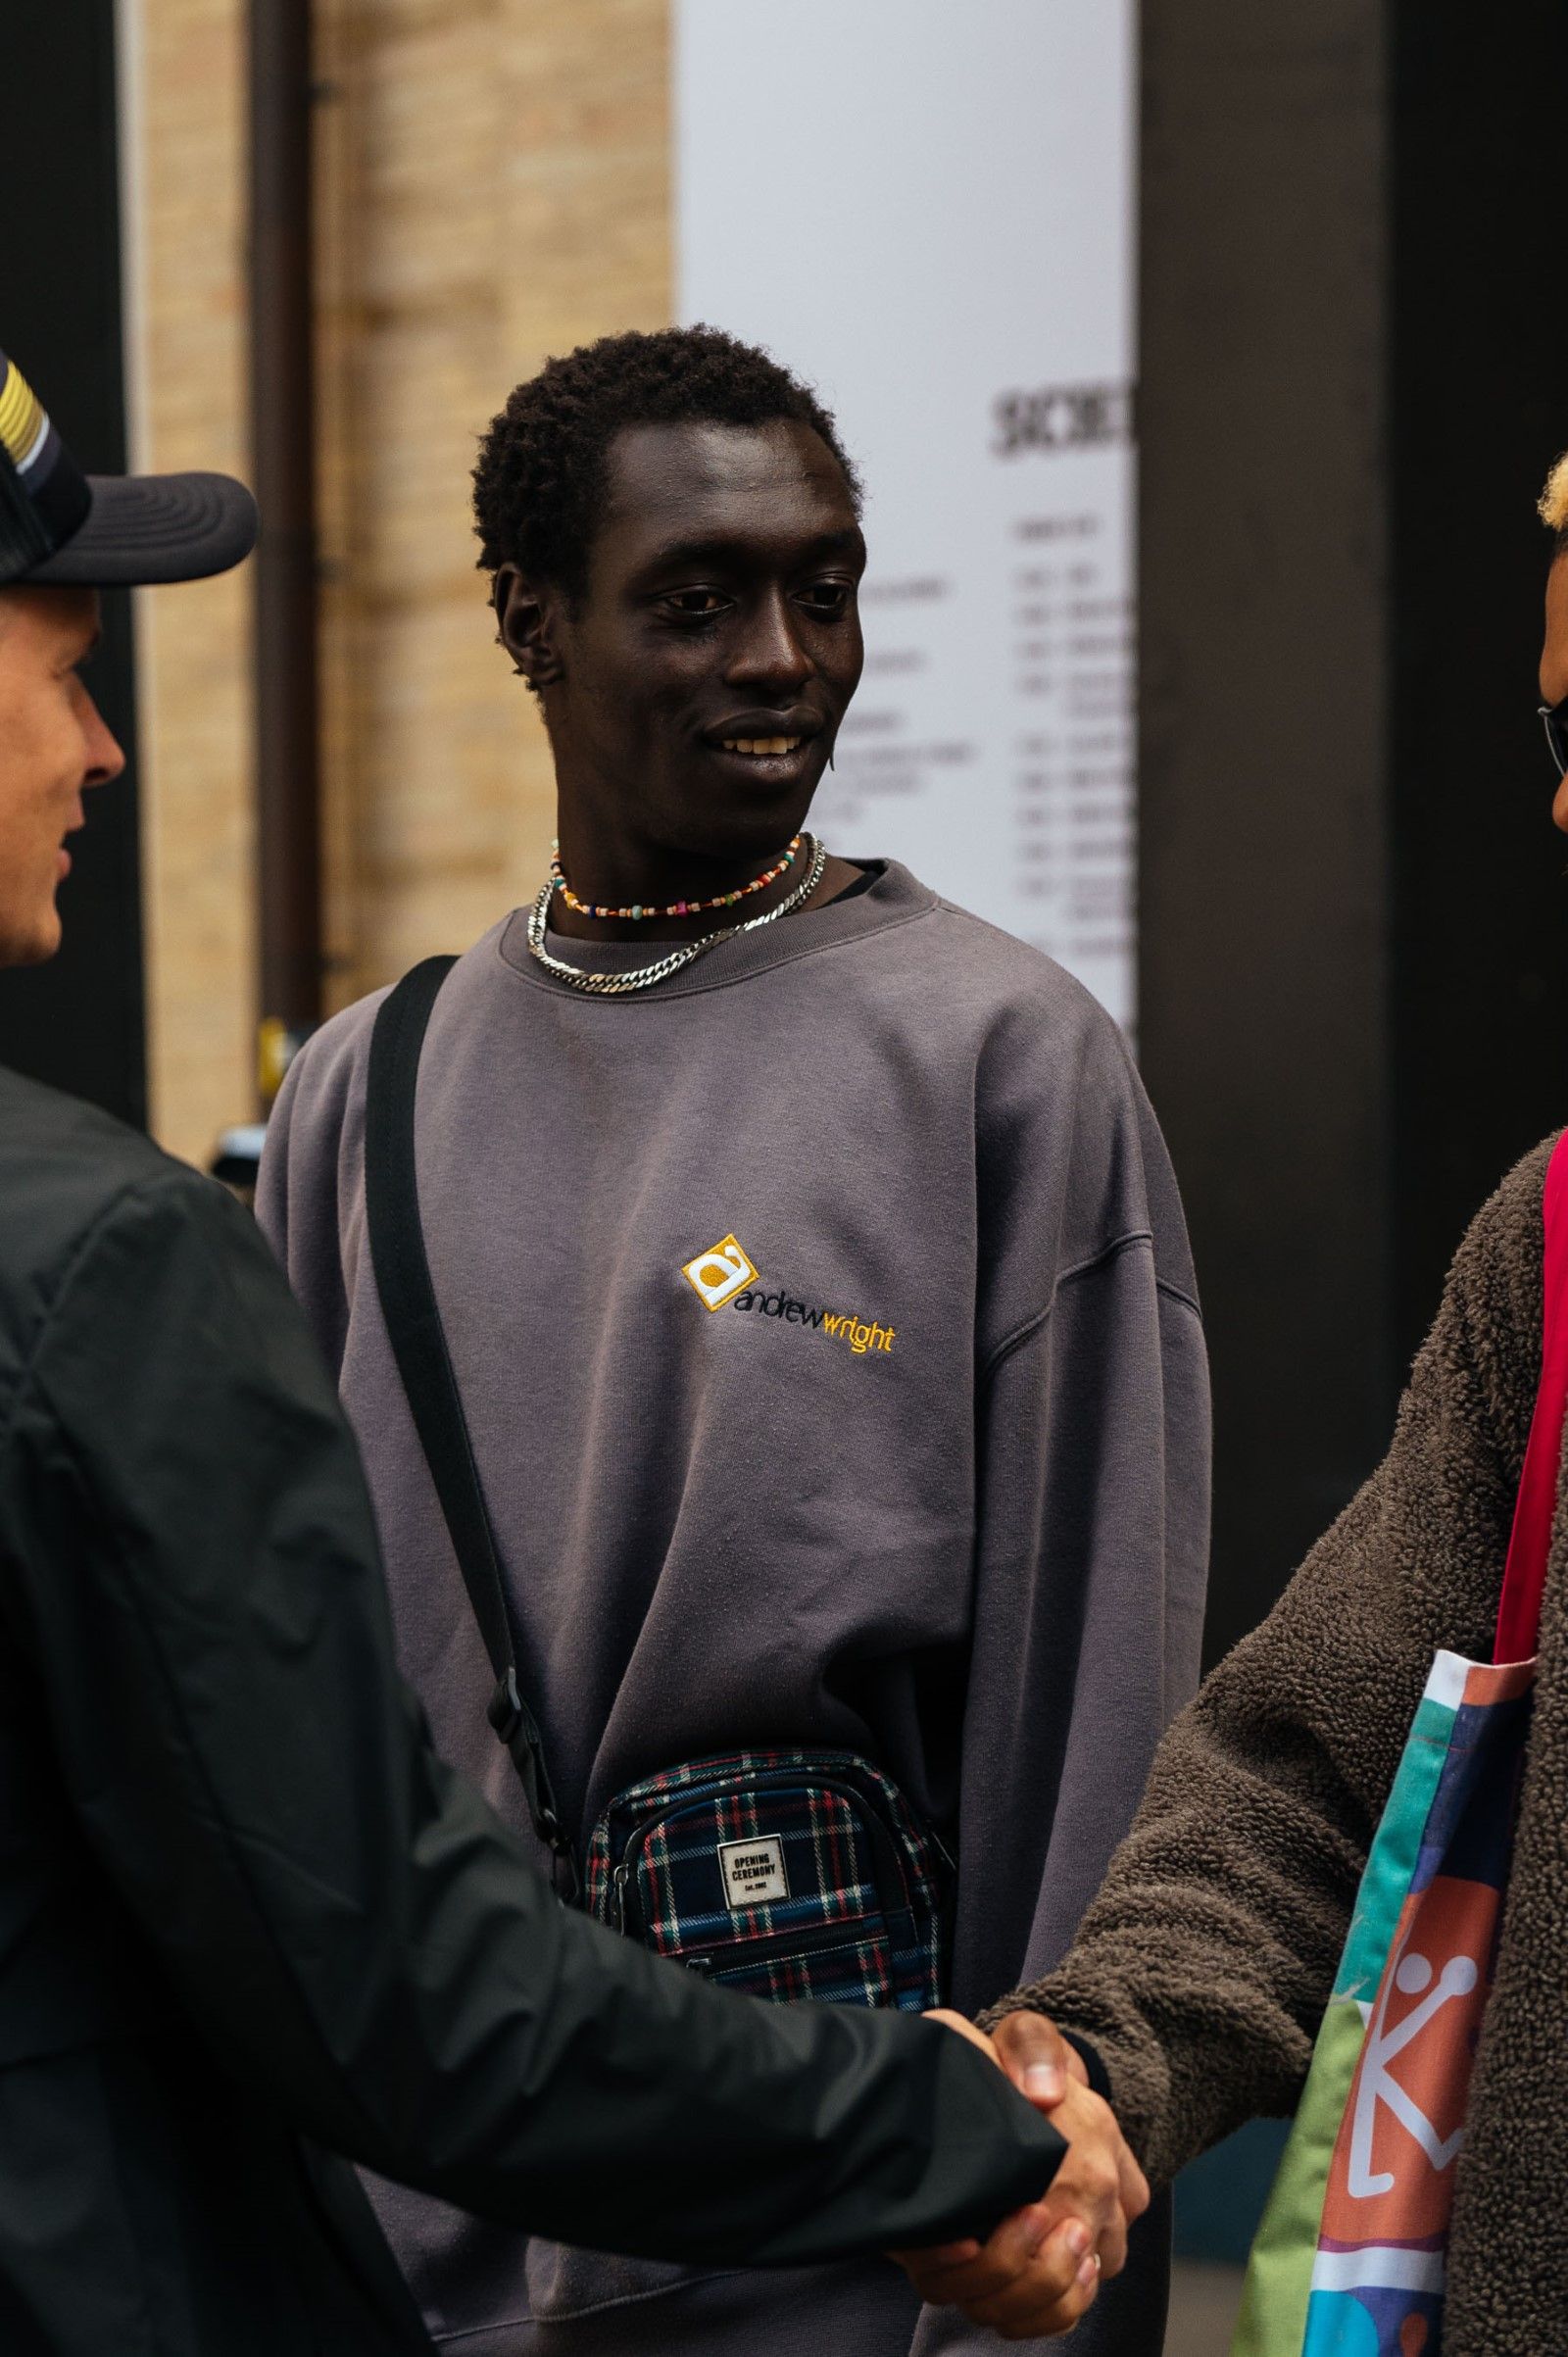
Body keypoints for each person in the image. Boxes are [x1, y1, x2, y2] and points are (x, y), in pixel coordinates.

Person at [0, 341, 1142, 2356]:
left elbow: (1085, 1708)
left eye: (824, 589)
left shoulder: (997, 1057)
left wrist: (1033, 2170)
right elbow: (275, 1761)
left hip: (840, 2248)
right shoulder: (365, 1089)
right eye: (694, 599)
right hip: (426, 2221)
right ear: (532, 621)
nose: (779, 657)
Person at [897, 453, 1568, 2351]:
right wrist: (1090, 2074)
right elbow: (1305, 1775)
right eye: (1555, 729)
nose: (1558, 802)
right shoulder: (1549, 1251)